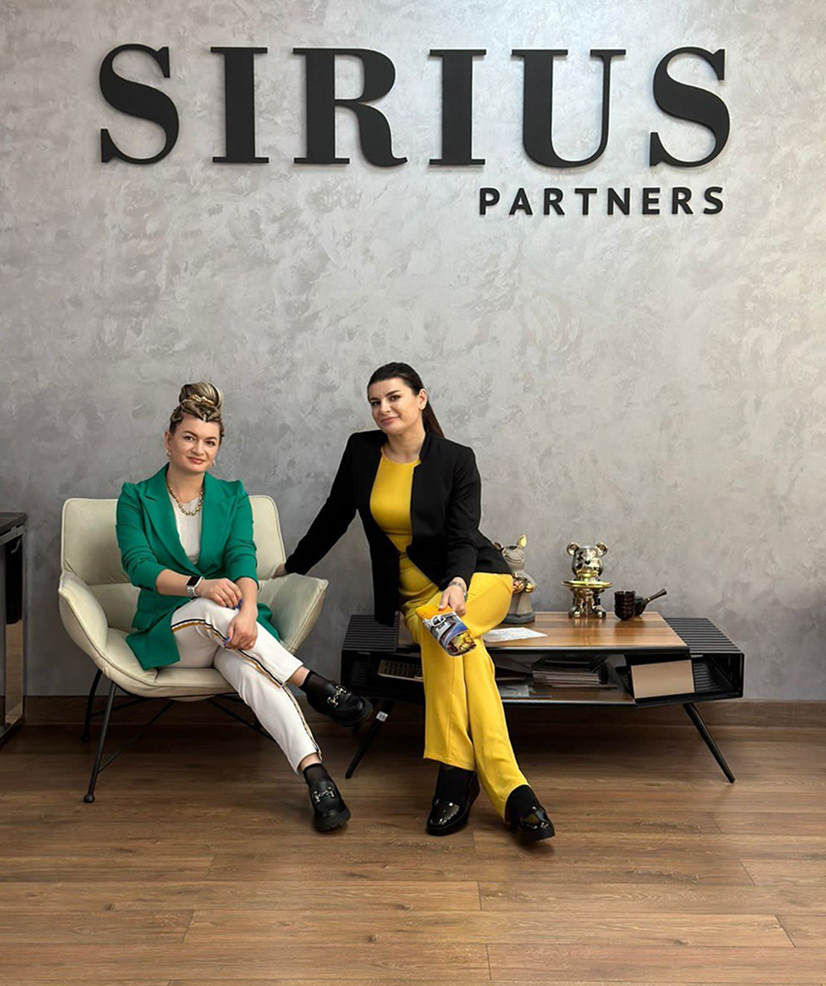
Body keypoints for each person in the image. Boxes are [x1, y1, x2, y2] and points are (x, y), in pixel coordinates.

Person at [281, 363, 554, 842]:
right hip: (415, 599)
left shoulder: (456, 459)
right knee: (463, 651)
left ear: (421, 399)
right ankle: (508, 789)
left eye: (394, 398)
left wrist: (458, 584)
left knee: (442, 626)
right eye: (374, 402)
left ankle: (458, 775)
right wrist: (290, 567)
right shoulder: (361, 451)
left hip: (477, 581)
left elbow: (464, 536)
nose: (382, 409)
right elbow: (334, 517)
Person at [116, 382, 372, 832]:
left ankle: (317, 777)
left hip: (232, 631)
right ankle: (311, 682)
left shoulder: (232, 495)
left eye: (210, 441)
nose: (199, 449)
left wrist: (250, 610)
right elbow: (139, 566)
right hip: (171, 632)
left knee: (252, 671)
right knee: (211, 609)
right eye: (189, 438)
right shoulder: (136, 497)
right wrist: (199, 586)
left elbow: (242, 557)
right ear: (168, 440)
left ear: (218, 449)